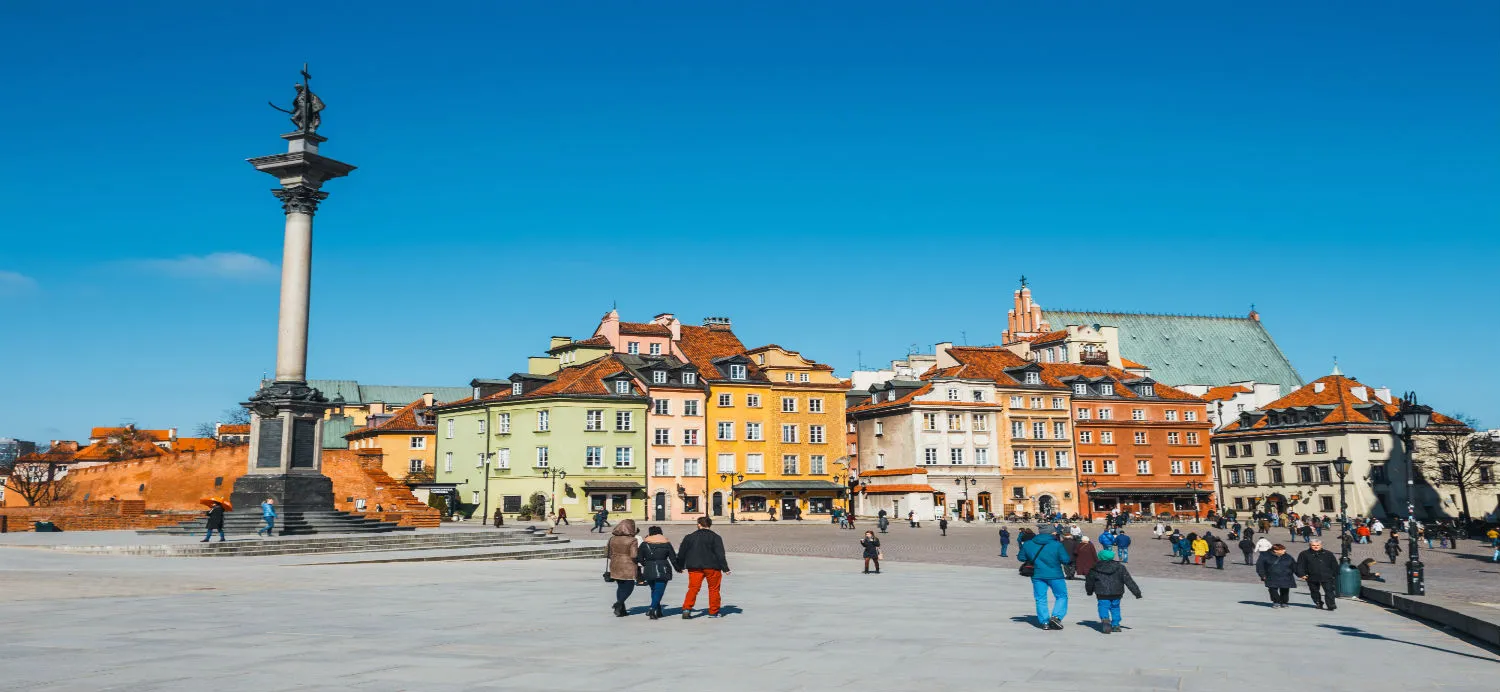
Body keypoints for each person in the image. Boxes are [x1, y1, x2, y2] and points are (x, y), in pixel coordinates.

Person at [1018, 525, 1073, 630]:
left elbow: (1021, 557)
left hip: (1037, 575)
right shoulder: (1057, 545)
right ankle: (1056, 617)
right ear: (1052, 533)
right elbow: (1065, 560)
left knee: (1040, 598)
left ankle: (1044, 622)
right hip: (1055, 575)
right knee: (1061, 596)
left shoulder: (1029, 544)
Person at [674, 516, 730, 619]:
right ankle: (713, 612)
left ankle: (687, 608)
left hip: (694, 566)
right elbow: (720, 554)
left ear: (699, 524)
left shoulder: (689, 537)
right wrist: (725, 568)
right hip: (712, 566)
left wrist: (679, 566)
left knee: (693, 588)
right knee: (714, 589)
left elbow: (682, 553)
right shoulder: (716, 537)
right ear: (709, 525)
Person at [1085, 548, 1142, 634]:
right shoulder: (1120, 567)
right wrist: (1137, 592)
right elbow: (1128, 580)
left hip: (1102, 592)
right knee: (1115, 607)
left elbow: (1090, 581)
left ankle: (1105, 620)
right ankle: (1115, 625)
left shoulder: (1095, 568)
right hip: (1117, 592)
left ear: (1100, 557)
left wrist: (1089, 591)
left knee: (1103, 606)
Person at [635, 526, 678, 620]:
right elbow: (673, 558)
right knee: (659, 590)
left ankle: (657, 610)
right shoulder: (666, 543)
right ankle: (652, 608)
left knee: (654, 590)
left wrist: (646, 564)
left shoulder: (644, 544)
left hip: (649, 569)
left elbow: (640, 558)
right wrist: (678, 568)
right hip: (664, 568)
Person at [605, 519, 640, 617]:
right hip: (628, 565)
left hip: (615, 564)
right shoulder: (632, 540)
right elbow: (634, 555)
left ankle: (621, 610)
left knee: (620, 587)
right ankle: (619, 603)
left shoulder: (612, 539)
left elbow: (606, 553)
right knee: (629, 586)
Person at [1295, 539, 1340, 610]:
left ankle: (1331, 604)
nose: (1316, 547)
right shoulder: (1304, 554)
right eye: (1313, 545)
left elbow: (1334, 564)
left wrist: (1334, 574)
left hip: (1326, 575)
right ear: (1310, 545)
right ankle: (1318, 602)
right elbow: (1300, 565)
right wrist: (1302, 574)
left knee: (1329, 590)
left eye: (1317, 545)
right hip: (1311, 575)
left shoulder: (1328, 553)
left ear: (1321, 545)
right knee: (1314, 591)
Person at [1256, 543, 1297, 608]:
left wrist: (1301, 574)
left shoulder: (1288, 556)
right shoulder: (1265, 556)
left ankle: (1284, 602)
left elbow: (1294, 566)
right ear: (1275, 550)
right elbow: (1260, 566)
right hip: (1271, 575)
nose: (1284, 551)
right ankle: (1276, 601)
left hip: (1286, 576)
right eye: (1282, 549)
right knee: (1273, 589)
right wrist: (1262, 575)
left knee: (1285, 590)